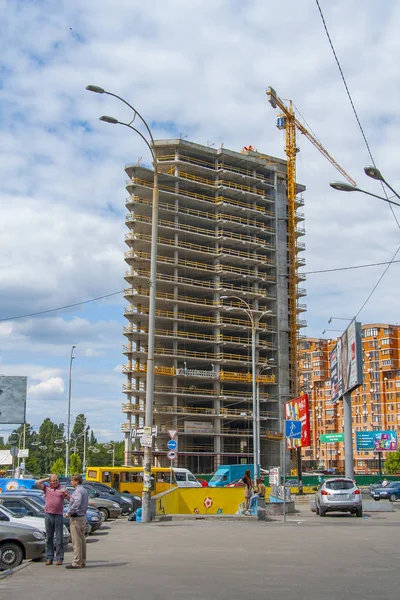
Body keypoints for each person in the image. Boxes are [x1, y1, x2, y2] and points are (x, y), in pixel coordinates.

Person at [36, 474, 69, 565]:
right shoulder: (46, 488)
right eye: (53, 481)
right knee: (49, 538)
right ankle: (49, 557)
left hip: (58, 515)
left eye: (56, 480)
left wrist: (65, 494)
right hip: (48, 515)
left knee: (59, 538)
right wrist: (47, 478)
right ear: (50, 481)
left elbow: (70, 499)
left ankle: (59, 558)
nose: (55, 482)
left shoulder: (62, 488)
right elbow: (37, 482)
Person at [65, 473, 89, 569]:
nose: (71, 482)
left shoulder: (78, 491)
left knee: (76, 541)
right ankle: (82, 561)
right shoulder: (83, 490)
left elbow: (77, 503)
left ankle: (77, 562)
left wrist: (69, 512)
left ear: (77, 481)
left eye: (72, 480)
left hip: (77, 518)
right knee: (82, 540)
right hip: (82, 516)